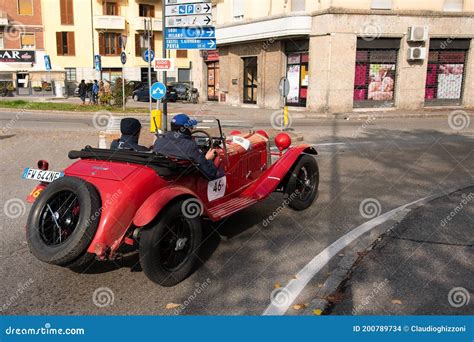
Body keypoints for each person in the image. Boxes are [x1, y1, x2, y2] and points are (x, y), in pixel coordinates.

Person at [153, 114, 223, 180]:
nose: (192, 129)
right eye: (190, 127)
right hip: (185, 179)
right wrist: (208, 159)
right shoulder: (190, 145)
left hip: (164, 175)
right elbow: (211, 173)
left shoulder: (159, 141)